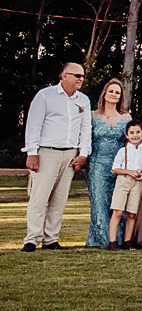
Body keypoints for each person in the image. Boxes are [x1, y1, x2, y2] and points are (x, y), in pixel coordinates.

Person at [23, 62, 91, 252]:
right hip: (47, 152)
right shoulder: (45, 96)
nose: (80, 79)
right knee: (39, 198)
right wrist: (32, 153)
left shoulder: (83, 100)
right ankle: (32, 239)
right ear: (63, 75)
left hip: (70, 154)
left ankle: (51, 239)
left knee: (59, 199)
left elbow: (85, 129)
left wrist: (83, 154)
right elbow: (33, 125)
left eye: (82, 76)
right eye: (76, 75)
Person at [86, 78, 131, 247]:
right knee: (99, 201)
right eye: (111, 91)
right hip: (97, 164)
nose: (114, 94)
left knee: (118, 203)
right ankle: (101, 239)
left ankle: (118, 239)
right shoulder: (92, 116)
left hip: (119, 166)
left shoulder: (126, 117)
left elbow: (130, 142)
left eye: (117, 93)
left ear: (120, 97)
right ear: (105, 94)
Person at [107, 119, 142, 250]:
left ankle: (127, 241)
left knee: (131, 214)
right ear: (127, 135)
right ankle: (112, 241)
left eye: (138, 132)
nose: (135, 135)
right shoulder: (122, 151)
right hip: (123, 181)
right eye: (132, 133)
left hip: (137, 183)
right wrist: (129, 172)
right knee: (118, 212)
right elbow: (115, 169)